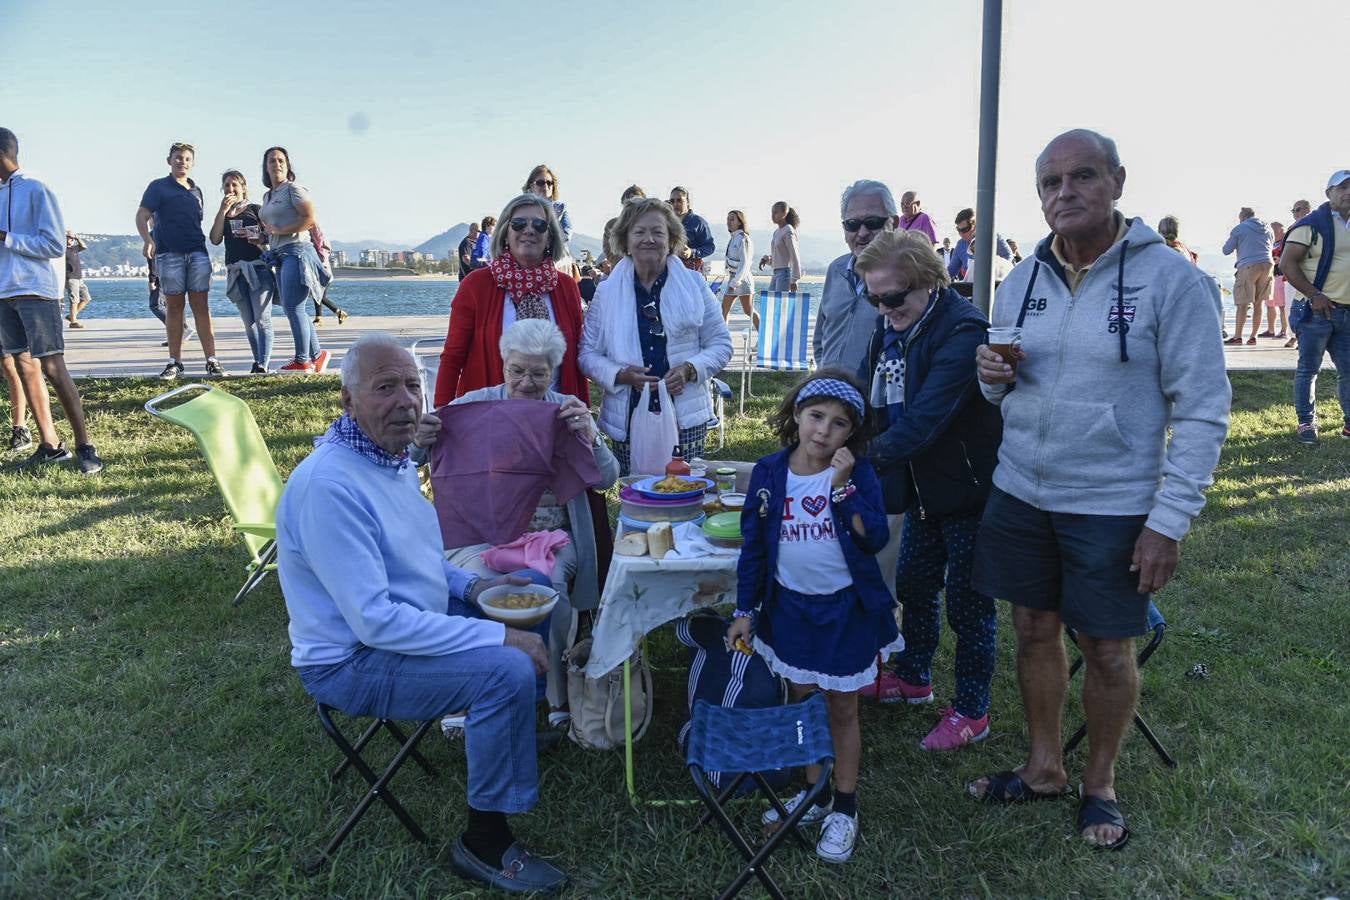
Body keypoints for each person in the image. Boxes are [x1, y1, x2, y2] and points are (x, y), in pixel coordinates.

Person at [970, 129, 1230, 850]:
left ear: (1117, 181)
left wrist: (1169, 519)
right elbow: (1002, 388)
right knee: (1031, 629)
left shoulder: (1171, 280)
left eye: (1082, 175)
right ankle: (1045, 766)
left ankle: (1101, 784)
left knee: (1110, 650)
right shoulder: (1020, 279)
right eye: (1050, 182)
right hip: (1021, 490)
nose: (1065, 192)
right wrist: (991, 381)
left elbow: (1204, 409)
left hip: (1114, 502)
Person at [276, 332, 568, 894]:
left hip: (399, 628)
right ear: (347, 401)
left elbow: (423, 564)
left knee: (527, 589)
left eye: (413, 385)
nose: (407, 400)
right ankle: (484, 843)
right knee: (505, 669)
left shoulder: (389, 460)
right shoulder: (329, 486)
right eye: (386, 388)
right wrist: (494, 638)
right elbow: (375, 622)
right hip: (352, 661)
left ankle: (507, 741)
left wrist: (477, 586)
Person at [726, 370, 898, 864]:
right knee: (803, 705)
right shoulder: (769, 472)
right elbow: (754, 550)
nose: (823, 431)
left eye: (839, 424)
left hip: (845, 612)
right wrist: (745, 610)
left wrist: (841, 489)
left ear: (853, 433)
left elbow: (873, 539)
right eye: (815, 416)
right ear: (796, 415)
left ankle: (844, 804)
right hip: (790, 611)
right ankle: (815, 791)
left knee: (842, 709)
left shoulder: (857, 475)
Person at [854, 230, 1003, 751]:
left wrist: (856, 463)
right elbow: (864, 395)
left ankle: (971, 711)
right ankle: (915, 677)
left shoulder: (963, 331)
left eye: (893, 297)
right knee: (915, 586)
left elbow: (924, 421)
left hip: (968, 493)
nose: (883, 307)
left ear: (929, 282)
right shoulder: (889, 327)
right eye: (874, 297)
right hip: (920, 490)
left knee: (969, 606)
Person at [432, 319, 618, 727]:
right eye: (517, 370)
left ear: (554, 371)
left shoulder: (566, 409)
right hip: (483, 537)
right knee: (472, 586)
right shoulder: (475, 407)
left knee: (545, 587)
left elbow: (607, 478)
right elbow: (416, 457)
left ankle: (554, 695)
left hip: (552, 538)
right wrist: (421, 439)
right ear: (503, 365)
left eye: (539, 372)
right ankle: (468, 693)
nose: (527, 382)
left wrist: (592, 435)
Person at [579, 197, 732, 472]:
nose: (649, 239)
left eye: (658, 232)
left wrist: (689, 369)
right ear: (625, 241)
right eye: (639, 232)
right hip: (627, 415)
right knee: (637, 500)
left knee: (687, 497)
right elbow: (588, 354)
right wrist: (621, 375)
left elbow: (721, 344)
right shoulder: (606, 291)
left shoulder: (695, 284)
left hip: (686, 416)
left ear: (671, 239)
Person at [0, 127, 104, 473]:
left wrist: (7, 237)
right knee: (23, 365)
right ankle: (50, 444)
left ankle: (85, 446)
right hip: (4, 293)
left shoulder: (36, 189)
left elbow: (54, 245)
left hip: (35, 291)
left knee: (53, 367)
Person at [434, 194, 586, 406]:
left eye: (540, 225)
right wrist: (443, 411)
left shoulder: (566, 287)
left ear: (550, 236)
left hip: (554, 416)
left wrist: (582, 411)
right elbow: (453, 356)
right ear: (506, 232)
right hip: (488, 417)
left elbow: (575, 359)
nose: (529, 229)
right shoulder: (475, 285)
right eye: (519, 223)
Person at [135, 142, 225, 380]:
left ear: (192, 163)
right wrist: (147, 239)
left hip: (197, 253)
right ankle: (174, 361)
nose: (181, 162)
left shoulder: (196, 191)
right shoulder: (158, 187)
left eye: (186, 158)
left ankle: (212, 360)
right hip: (169, 254)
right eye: (177, 158)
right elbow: (142, 214)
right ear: (169, 160)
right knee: (174, 308)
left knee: (201, 307)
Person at [1281, 170, 1350, 444]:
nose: (1348, 193)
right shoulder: (1311, 225)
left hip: (1346, 310)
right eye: (1342, 188)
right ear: (1328, 193)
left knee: (1349, 370)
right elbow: (1287, 263)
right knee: (1309, 369)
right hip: (1315, 310)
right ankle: (1306, 423)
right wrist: (1314, 294)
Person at [258, 146, 331, 374]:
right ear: (266, 166)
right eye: (272, 161)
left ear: (288, 165)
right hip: (278, 255)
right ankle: (317, 355)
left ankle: (302, 361)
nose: (276, 164)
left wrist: (279, 230)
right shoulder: (268, 196)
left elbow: (310, 219)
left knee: (294, 307)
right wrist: (262, 235)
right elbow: (272, 228)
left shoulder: (294, 189)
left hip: (297, 252)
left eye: (281, 160)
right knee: (293, 309)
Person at [813, 179, 899, 368]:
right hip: (830, 389)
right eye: (852, 224)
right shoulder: (836, 270)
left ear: (894, 223)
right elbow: (821, 338)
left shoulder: (905, 279)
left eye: (873, 222)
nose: (862, 233)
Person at [209, 170, 275, 374]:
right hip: (236, 272)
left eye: (234, 185)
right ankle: (258, 361)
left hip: (258, 269)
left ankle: (263, 364)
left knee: (262, 318)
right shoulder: (225, 214)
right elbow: (214, 239)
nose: (230, 189)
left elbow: (272, 233)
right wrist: (221, 211)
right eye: (227, 185)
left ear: (243, 187)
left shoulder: (256, 209)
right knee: (249, 323)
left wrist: (258, 236)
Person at [1221, 208, 1273, 345]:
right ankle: (1253, 336)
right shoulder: (1268, 228)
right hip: (1268, 265)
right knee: (1259, 303)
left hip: (1248, 265)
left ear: (1243, 217)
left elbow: (1226, 250)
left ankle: (1237, 337)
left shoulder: (1240, 228)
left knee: (1242, 303)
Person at [947, 208, 1012, 281]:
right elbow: (951, 270)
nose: (960, 234)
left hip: (993, 286)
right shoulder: (960, 245)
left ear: (975, 226)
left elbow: (1008, 257)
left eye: (964, 230)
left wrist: (993, 268)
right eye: (958, 230)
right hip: (970, 288)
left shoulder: (992, 237)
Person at [720, 209, 758, 329]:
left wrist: (736, 281)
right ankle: (724, 340)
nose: (729, 222)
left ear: (740, 222)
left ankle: (764, 337)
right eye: (728, 219)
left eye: (732, 219)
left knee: (748, 310)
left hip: (742, 279)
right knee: (724, 310)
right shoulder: (733, 238)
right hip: (733, 278)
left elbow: (745, 263)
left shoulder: (744, 239)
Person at [1285, 199, 1314, 348]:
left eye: (1298, 210)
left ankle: (1303, 338)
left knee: (1305, 307)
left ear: (1307, 209)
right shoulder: (1294, 227)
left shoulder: (1315, 225)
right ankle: (1295, 336)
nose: (1295, 214)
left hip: (1308, 274)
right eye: (1293, 211)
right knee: (1292, 306)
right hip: (1292, 273)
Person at [667, 186, 715, 272]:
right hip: (670, 271)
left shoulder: (698, 222)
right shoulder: (666, 222)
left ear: (688, 202)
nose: (675, 204)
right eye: (672, 201)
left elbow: (710, 247)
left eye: (679, 200)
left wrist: (692, 253)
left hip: (692, 273)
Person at [523, 164, 572, 247]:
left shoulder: (560, 208)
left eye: (549, 183)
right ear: (531, 186)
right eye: (540, 183)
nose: (545, 186)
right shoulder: (521, 208)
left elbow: (566, 235)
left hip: (554, 254)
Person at [759, 201, 802, 293]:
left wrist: (794, 279)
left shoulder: (788, 231)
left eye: (775, 212)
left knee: (780, 304)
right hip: (776, 273)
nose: (772, 215)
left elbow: (794, 256)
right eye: (772, 212)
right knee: (772, 302)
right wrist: (766, 259)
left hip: (785, 273)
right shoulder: (777, 232)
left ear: (784, 213)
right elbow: (779, 254)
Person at [63, 231, 91, 328]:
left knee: (86, 298)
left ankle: (71, 316)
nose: (70, 240)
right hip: (71, 278)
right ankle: (73, 321)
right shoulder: (62, 250)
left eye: (72, 238)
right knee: (74, 300)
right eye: (68, 238)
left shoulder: (74, 249)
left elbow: (84, 247)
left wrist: (77, 238)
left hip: (79, 277)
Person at [1266, 221, 1289, 339]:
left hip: (1281, 275)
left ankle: (1284, 330)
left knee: (1282, 305)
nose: (1273, 232)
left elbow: (1289, 255)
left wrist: (1280, 259)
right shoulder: (1271, 242)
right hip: (1271, 274)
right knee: (1270, 304)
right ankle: (1270, 330)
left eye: (1275, 229)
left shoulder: (1285, 241)